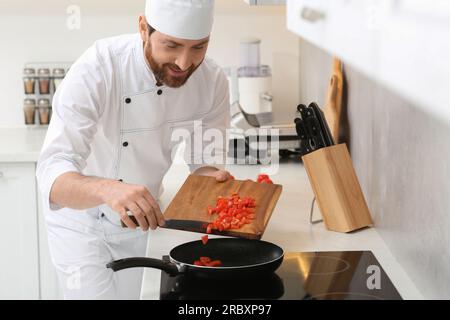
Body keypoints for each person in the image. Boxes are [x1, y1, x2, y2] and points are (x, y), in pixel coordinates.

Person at [36, 0, 230, 299]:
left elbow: (204, 163)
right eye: (171, 46)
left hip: (145, 222)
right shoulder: (99, 68)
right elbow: (52, 175)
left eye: (198, 47)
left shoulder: (212, 80)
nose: (183, 63)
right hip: (82, 227)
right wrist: (109, 190)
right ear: (143, 28)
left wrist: (212, 178)